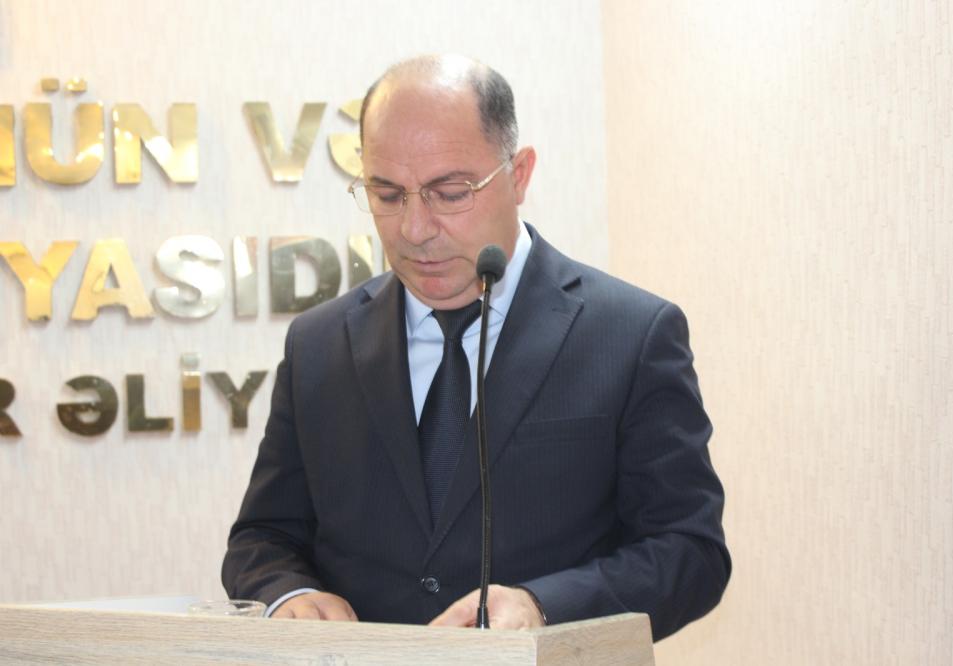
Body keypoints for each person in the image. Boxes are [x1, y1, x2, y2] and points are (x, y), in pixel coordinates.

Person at [222, 54, 730, 640]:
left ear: (519, 175)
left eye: (449, 192)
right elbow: (263, 537)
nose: (414, 229)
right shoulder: (318, 344)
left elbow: (690, 551)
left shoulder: (632, 334)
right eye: (387, 194)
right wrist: (291, 593)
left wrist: (544, 607)